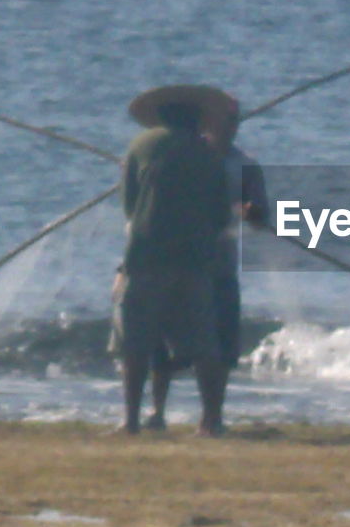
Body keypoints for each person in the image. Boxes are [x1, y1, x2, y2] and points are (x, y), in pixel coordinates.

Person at [111, 84, 235, 437]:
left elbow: (130, 207)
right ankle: (211, 421)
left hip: (146, 256)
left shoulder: (140, 146)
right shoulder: (208, 154)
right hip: (195, 262)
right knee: (202, 344)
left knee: (135, 342)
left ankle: (132, 421)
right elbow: (220, 215)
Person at [145, 101, 269, 430]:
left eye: (233, 120)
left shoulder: (246, 165)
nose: (228, 127)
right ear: (206, 123)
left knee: (219, 345)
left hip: (219, 266)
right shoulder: (181, 157)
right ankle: (156, 412)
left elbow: (261, 217)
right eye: (221, 120)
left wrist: (248, 210)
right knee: (163, 341)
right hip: (175, 262)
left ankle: (211, 418)